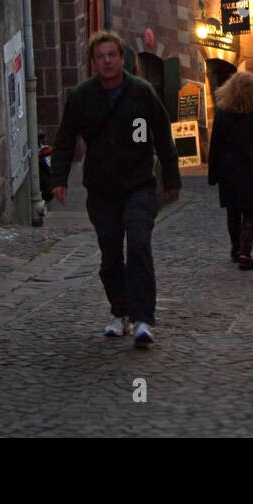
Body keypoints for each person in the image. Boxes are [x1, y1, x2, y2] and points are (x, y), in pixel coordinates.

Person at [49, 31, 180, 349]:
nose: (107, 61)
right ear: (93, 62)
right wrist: (59, 179)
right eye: (101, 56)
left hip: (139, 185)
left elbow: (163, 136)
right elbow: (65, 139)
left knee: (138, 245)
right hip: (102, 189)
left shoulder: (142, 92)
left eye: (112, 55)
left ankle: (143, 319)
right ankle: (120, 312)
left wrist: (172, 180)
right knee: (109, 254)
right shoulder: (82, 97)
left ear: (122, 59)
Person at [207, 72, 253, 271]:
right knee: (250, 213)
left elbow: (215, 147)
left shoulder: (222, 116)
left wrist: (213, 175)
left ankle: (235, 248)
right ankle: (245, 252)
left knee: (233, 210)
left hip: (229, 171)